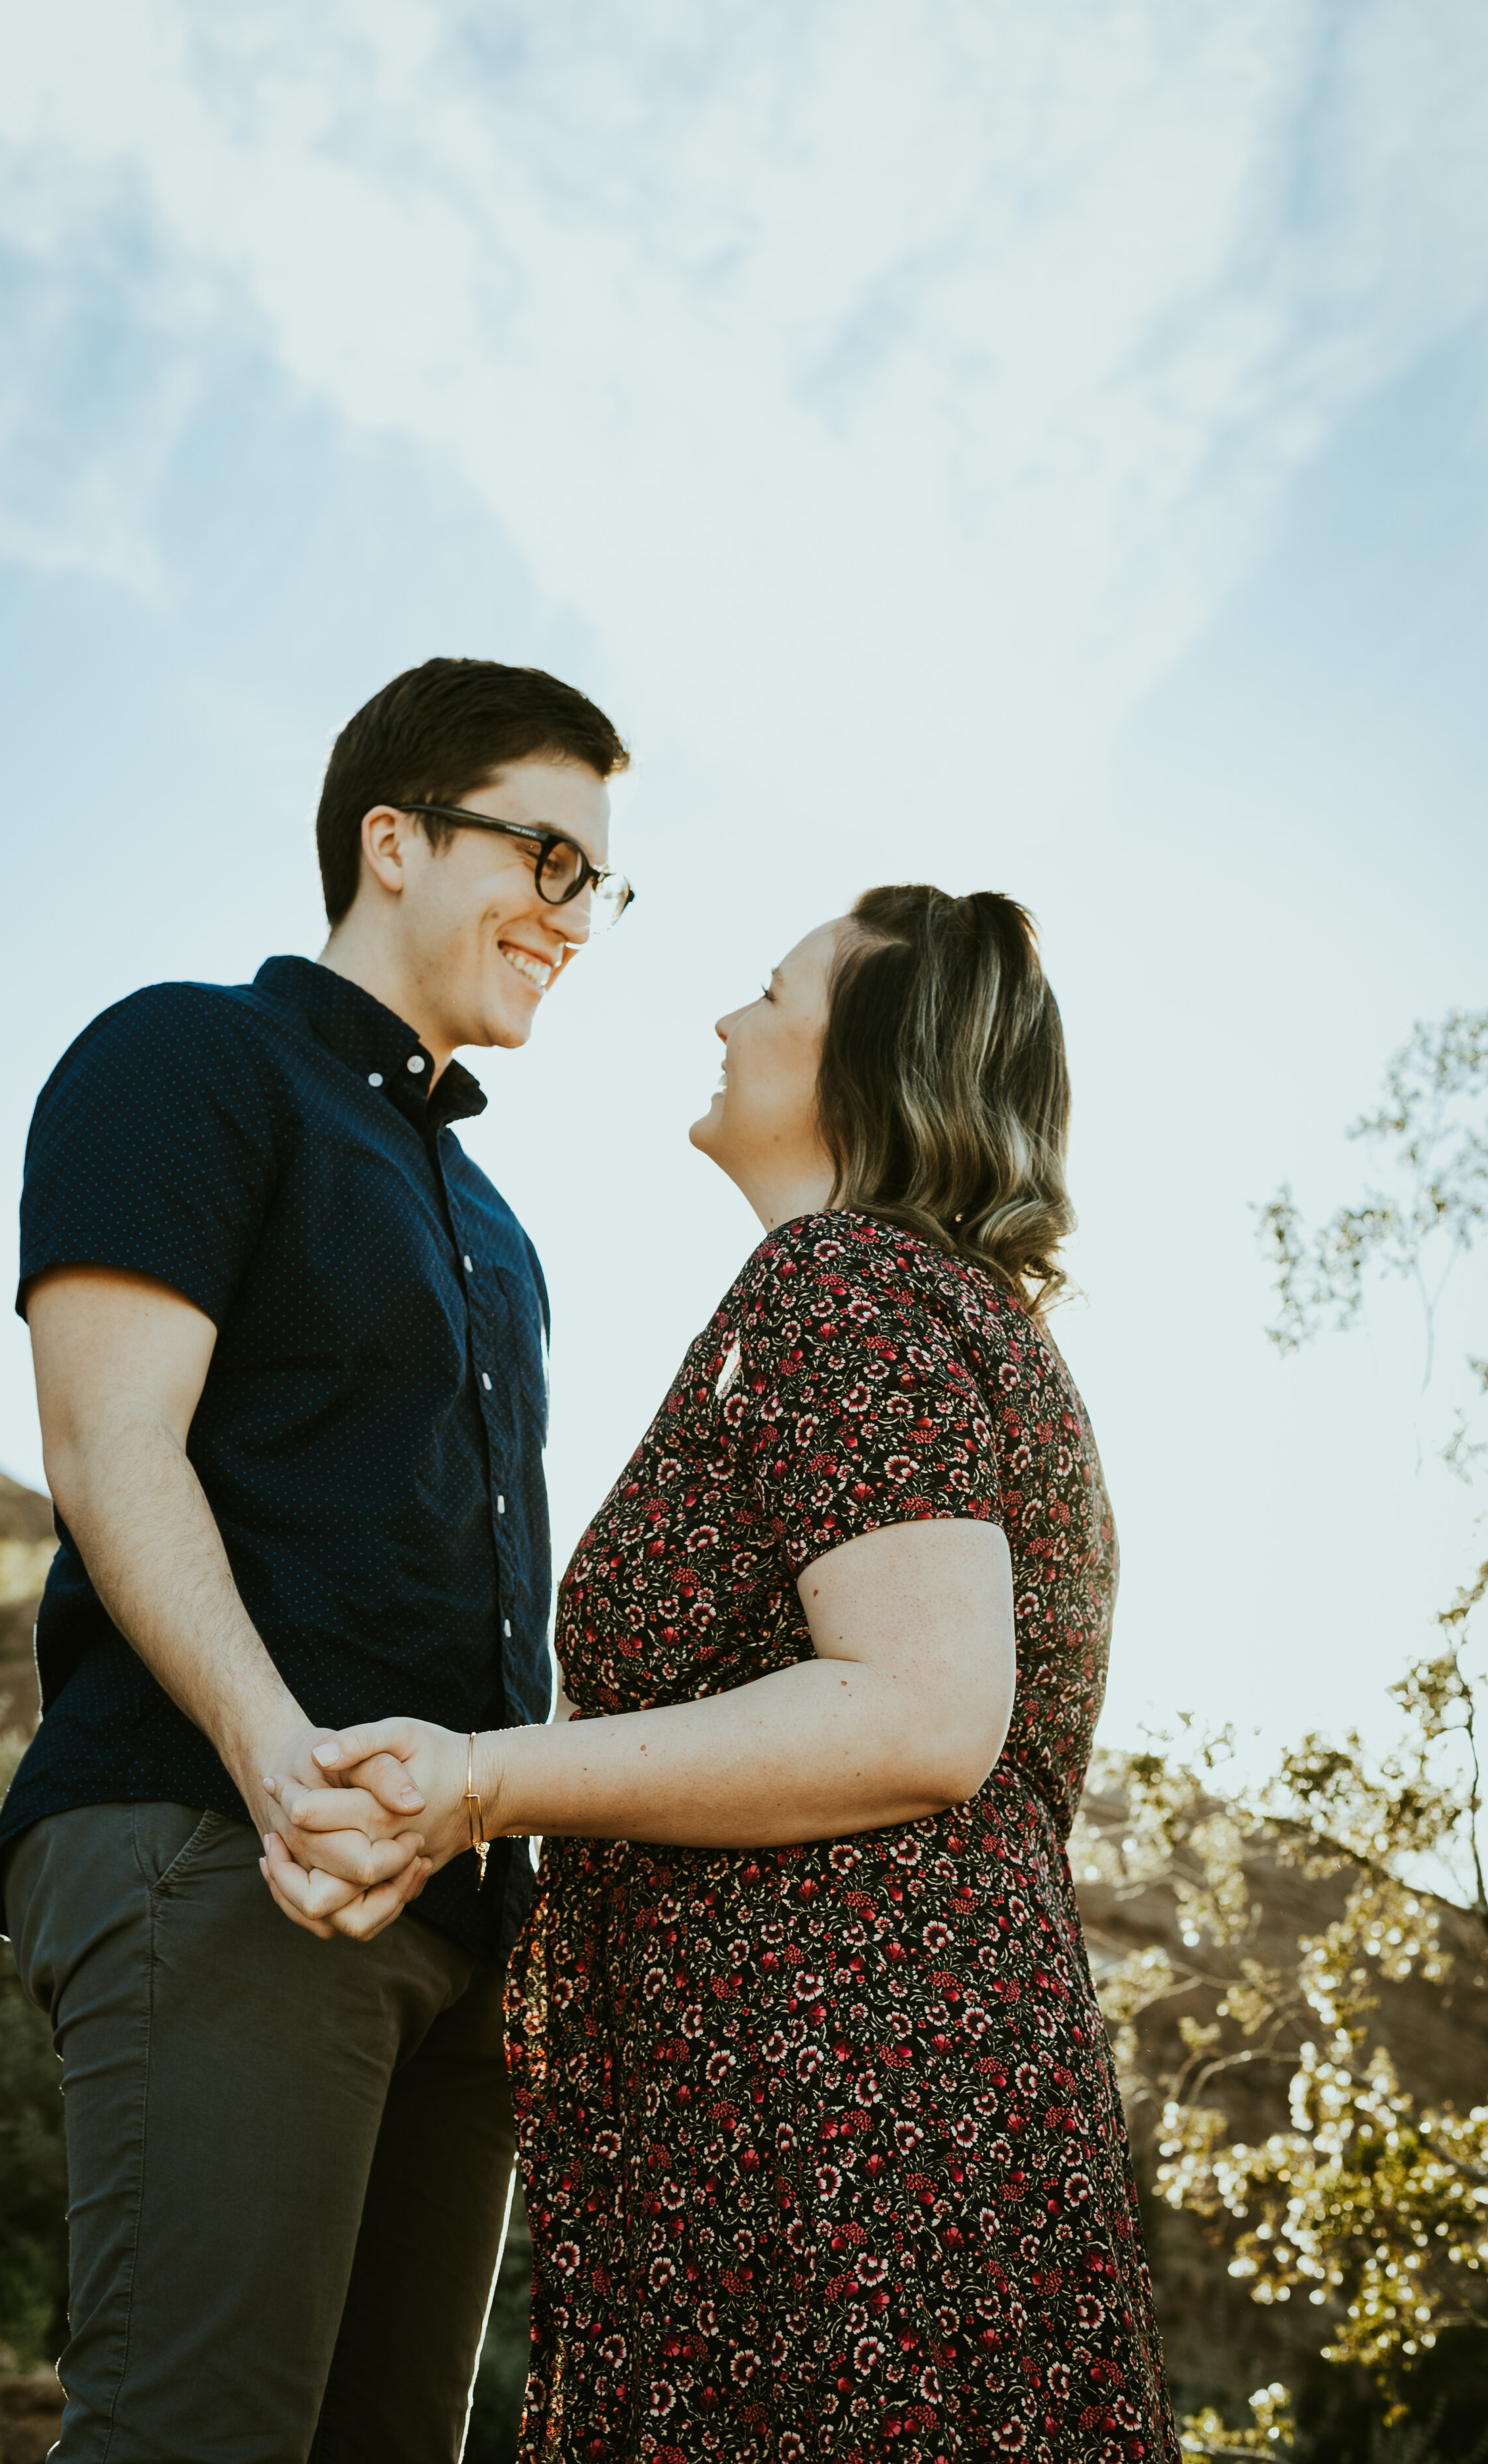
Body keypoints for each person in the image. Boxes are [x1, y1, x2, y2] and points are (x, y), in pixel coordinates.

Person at [267, 884, 1180, 2463]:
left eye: (771, 992)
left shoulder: (842, 1286)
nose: (723, 1021)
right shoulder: (958, 1316)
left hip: (828, 2106)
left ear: (866, 1062)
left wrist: (479, 1781)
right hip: (906, 2087)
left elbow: (918, 1713)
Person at [0, 656, 632, 2464]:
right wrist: (279, 1760)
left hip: (451, 1911)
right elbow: (111, 1443)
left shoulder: (498, 1229)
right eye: (545, 858)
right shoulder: (185, 1055)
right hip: (219, 1838)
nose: (575, 914)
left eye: (603, 882)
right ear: (395, 840)